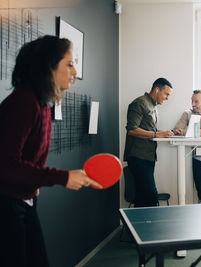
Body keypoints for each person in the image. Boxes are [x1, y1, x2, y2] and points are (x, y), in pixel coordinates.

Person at [0, 35, 102, 267]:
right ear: (47, 66)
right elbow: (5, 164)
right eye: (69, 63)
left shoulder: (42, 104)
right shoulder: (23, 102)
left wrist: (33, 183)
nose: (75, 71)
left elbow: (26, 160)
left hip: (23, 200)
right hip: (6, 204)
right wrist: (63, 177)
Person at [123, 78, 174, 207]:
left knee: (142, 197)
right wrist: (157, 134)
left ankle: (137, 227)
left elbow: (151, 130)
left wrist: (169, 132)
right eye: (166, 94)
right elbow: (132, 129)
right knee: (150, 196)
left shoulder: (154, 106)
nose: (167, 98)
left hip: (148, 157)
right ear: (157, 90)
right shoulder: (139, 103)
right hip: (138, 156)